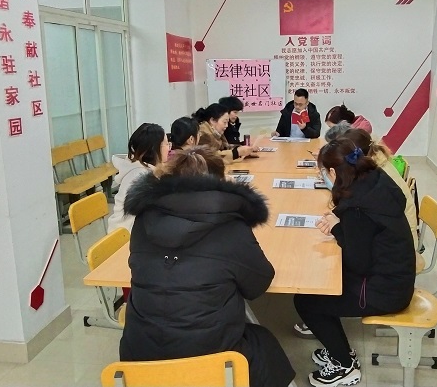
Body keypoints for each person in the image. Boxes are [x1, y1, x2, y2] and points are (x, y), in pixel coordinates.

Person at [119, 147, 295, 387]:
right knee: (264, 341)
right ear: (218, 184)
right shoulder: (231, 227)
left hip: (139, 361)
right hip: (210, 365)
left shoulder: (143, 221)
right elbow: (258, 284)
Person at [294, 138, 415, 387]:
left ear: (333, 173)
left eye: (323, 173)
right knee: (320, 286)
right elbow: (363, 235)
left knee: (307, 301)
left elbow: (357, 262)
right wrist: (340, 223)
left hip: (385, 290)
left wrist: (338, 229)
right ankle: (338, 348)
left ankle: (345, 365)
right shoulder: (373, 181)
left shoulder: (357, 208)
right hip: (394, 276)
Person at [107, 123, 170, 233]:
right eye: (166, 144)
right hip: (126, 235)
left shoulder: (140, 168)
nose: (169, 148)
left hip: (129, 230)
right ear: (154, 149)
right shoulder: (142, 177)